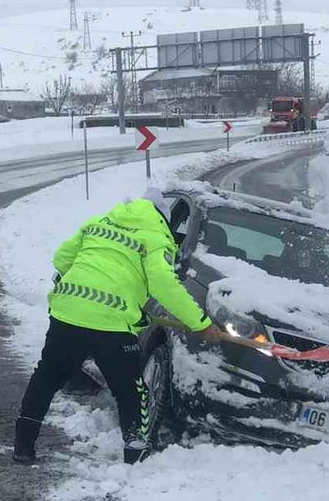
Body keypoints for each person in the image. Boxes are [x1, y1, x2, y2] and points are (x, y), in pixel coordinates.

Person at [15, 187, 221, 465]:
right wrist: (200, 324)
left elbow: (62, 257)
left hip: (67, 314)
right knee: (130, 390)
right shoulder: (156, 236)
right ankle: (135, 456)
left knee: (46, 379)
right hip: (110, 327)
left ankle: (23, 446)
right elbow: (163, 284)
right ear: (163, 216)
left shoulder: (99, 223)